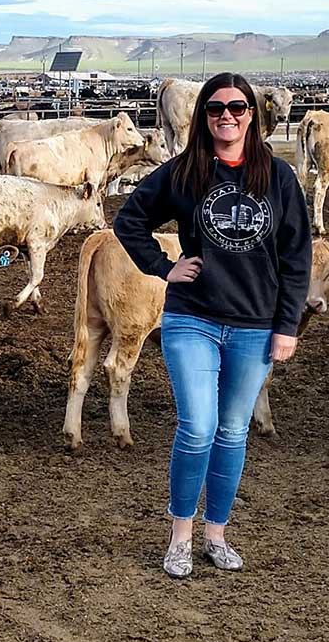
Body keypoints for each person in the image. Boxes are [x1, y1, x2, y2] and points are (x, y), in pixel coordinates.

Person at [113, 73, 312, 579]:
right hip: (191, 318)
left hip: (254, 324)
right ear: (203, 115)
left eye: (238, 107)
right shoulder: (184, 172)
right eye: (216, 107)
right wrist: (164, 267)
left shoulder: (279, 177)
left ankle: (216, 534)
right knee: (197, 428)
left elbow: (296, 255)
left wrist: (286, 325)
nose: (227, 115)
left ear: (253, 115)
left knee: (231, 431)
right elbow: (129, 219)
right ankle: (180, 536)